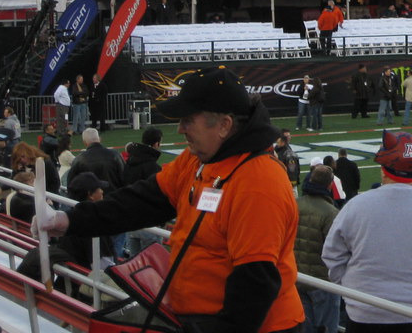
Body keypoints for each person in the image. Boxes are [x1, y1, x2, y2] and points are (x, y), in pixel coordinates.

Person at [32, 66, 305, 333]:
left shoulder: (258, 182)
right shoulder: (199, 159)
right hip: (196, 316)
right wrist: (69, 219)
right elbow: (143, 201)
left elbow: (254, 283)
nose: (180, 129)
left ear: (224, 125)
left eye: (188, 120)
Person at [321, 130, 412, 332]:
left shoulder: (356, 206)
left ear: (383, 169)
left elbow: (332, 255)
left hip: (364, 314)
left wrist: (353, 292)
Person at [296, 165, 341, 333]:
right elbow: (336, 251)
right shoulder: (331, 213)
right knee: (327, 328)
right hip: (322, 282)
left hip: (298, 277)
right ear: (330, 185)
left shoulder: (295, 204)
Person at [122, 127, 164, 258]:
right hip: (149, 221)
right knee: (152, 264)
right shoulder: (153, 167)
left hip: (130, 220)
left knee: (134, 264)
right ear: (156, 143)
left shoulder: (130, 162)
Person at [67, 127, 124, 195]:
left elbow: (72, 185)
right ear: (99, 139)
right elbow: (125, 176)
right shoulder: (115, 155)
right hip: (114, 199)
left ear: (84, 142)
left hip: (90, 202)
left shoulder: (79, 160)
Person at [275, 129, 302, 194]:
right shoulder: (278, 150)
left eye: (289, 136)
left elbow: (292, 171)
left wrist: (291, 185)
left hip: (287, 184)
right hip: (281, 182)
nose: (288, 138)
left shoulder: (288, 154)